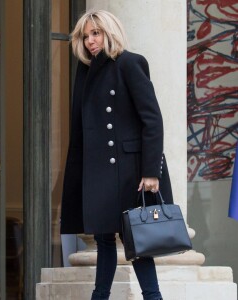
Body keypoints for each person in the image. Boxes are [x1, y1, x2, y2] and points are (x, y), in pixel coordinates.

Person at [60, 9, 173, 300]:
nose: (90, 42)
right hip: (98, 170)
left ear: (109, 32)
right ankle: (100, 296)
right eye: (85, 36)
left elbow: (152, 120)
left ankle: (153, 296)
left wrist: (151, 171)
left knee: (135, 238)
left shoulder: (130, 64)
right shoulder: (85, 72)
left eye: (95, 33)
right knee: (102, 238)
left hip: (129, 171)